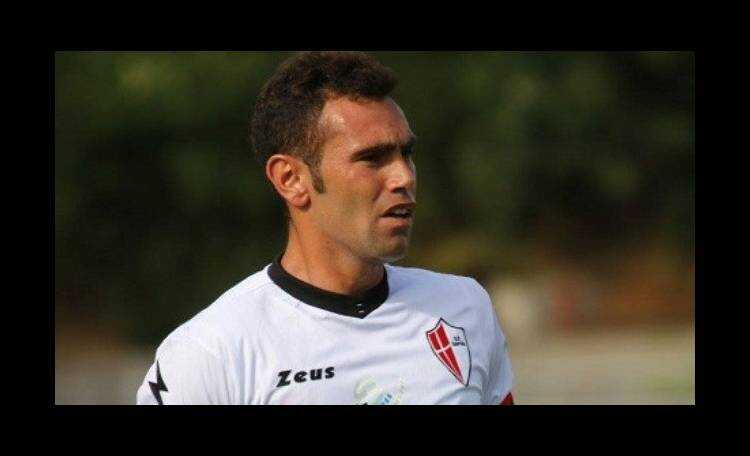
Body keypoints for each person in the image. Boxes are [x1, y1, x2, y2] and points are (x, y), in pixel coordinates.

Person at [136, 51, 514, 405]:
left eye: (406, 153)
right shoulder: (209, 353)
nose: (404, 177)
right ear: (291, 180)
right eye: (372, 158)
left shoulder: (465, 307)